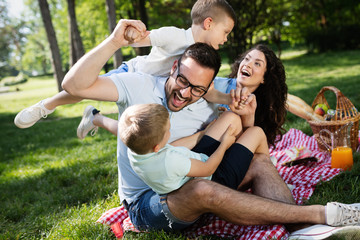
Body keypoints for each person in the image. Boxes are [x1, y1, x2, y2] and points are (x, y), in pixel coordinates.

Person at [61, 19, 360, 235]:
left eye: (198, 89)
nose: (185, 94)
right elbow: (74, 84)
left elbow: (237, 134)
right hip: (151, 199)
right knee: (203, 188)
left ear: (212, 86)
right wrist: (115, 41)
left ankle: (301, 229)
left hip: (191, 169)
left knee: (254, 148)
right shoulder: (137, 86)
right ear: (174, 66)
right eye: (182, 81)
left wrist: (239, 117)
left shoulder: (216, 96)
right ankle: (319, 214)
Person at [14, 0, 236, 131]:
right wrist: (133, 33)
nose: (225, 39)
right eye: (225, 32)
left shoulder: (202, 61)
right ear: (208, 23)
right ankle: (46, 105)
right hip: (132, 73)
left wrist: (230, 100)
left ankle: (94, 118)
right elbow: (140, 40)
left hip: (150, 89)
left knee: (134, 131)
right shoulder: (175, 36)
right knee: (83, 89)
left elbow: (209, 92)